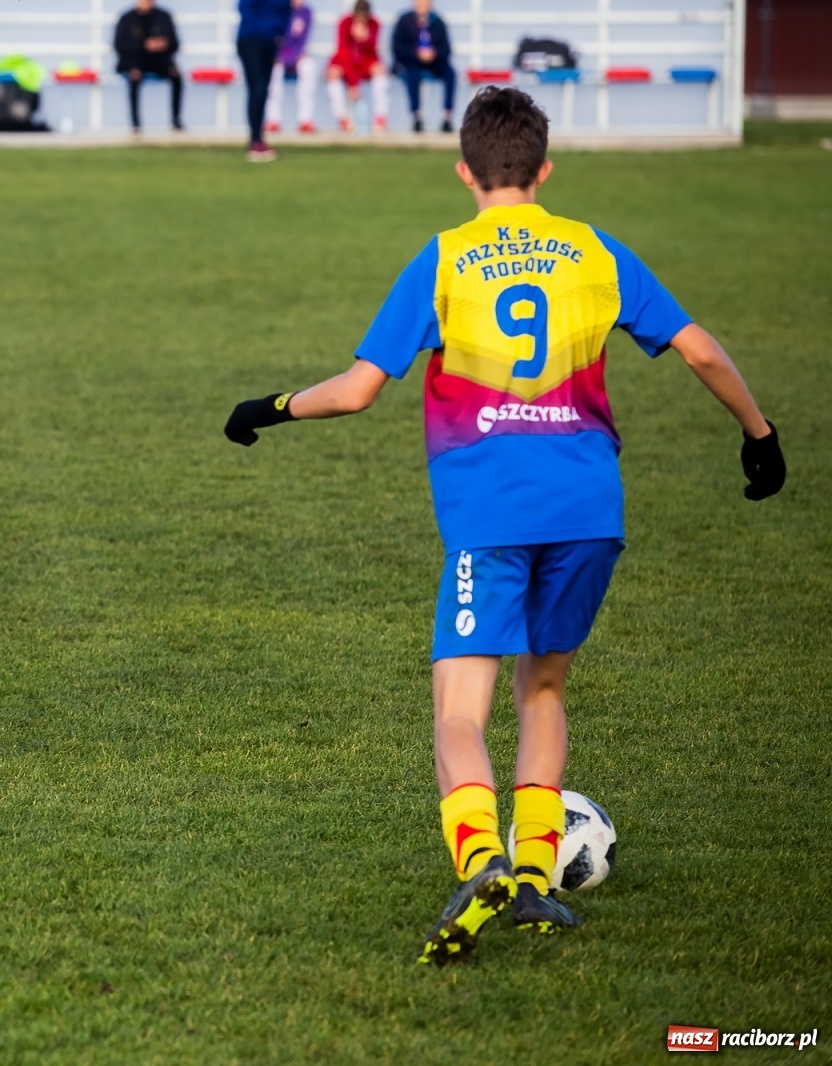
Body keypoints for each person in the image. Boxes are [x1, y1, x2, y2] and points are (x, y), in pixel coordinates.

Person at [223, 86, 785, 964]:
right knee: (545, 688)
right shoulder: (594, 249)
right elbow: (700, 348)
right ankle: (533, 872)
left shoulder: (446, 259)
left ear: (464, 171)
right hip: (592, 510)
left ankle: (480, 860)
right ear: (545, 169)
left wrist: (272, 405)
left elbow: (363, 386)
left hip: (491, 514)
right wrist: (760, 435)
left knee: (459, 708)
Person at [114, 0, 183, 133]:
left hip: (160, 61)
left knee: (176, 75)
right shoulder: (126, 18)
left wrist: (163, 44)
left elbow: (175, 44)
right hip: (134, 61)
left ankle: (176, 120)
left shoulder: (164, 16)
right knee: (134, 75)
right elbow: (119, 45)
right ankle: (136, 124)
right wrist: (144, 46)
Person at [236, 0, 291, 162]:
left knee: (264, 90)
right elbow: (244, 7)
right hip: (250, 39)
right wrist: (265, 29)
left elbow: (286, 13)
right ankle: (255, 142)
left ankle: (258, 139)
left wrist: (279, 36)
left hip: (271, 42)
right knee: (257, 88)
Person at [391, 0, 456, 133]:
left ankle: (447, 117)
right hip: (412, 61)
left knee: (450, 73)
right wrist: (416, 53)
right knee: (412, 75)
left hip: (435, 62)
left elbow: (446, 49)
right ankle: (416, 117)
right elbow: (397, 47)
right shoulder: (405, 21)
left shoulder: (438, 22)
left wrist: (434, 53)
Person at [326, 0, 389, 133]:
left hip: (365, 63)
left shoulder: (374, 24)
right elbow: (342, 53)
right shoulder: (344, 23)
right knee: (333, 73)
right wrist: (353, 83)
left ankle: (380, 118)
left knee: (380, 70)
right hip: (346, 64)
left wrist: (365, 40)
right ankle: (342, 119)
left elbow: (372, 53)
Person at [264, 2, 316, 134]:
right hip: (279, 55)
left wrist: (295, 56)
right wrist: (278, 55)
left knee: (309, 67)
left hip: (297, 55)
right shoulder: (277, 9)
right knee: (273, 71)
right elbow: (274, 37)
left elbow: (303, 39)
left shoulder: (306, 13)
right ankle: (273, 120)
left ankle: (305, 120)